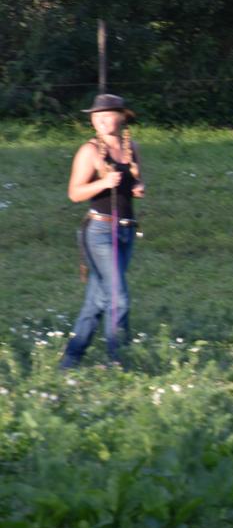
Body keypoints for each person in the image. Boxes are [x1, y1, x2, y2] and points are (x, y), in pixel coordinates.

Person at [60, 94, 145, 369]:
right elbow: (74, 193)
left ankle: (70, 360)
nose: (103, 121)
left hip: (126, 231)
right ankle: (120, 362)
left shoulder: (130, 147)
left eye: (108, 115)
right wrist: (104, 182)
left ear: (122, 117)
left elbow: (135, 181)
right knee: (118, 296)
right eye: (97, 117)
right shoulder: (89, 151)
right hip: (98, 232)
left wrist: (137, 188)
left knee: (98, 300)